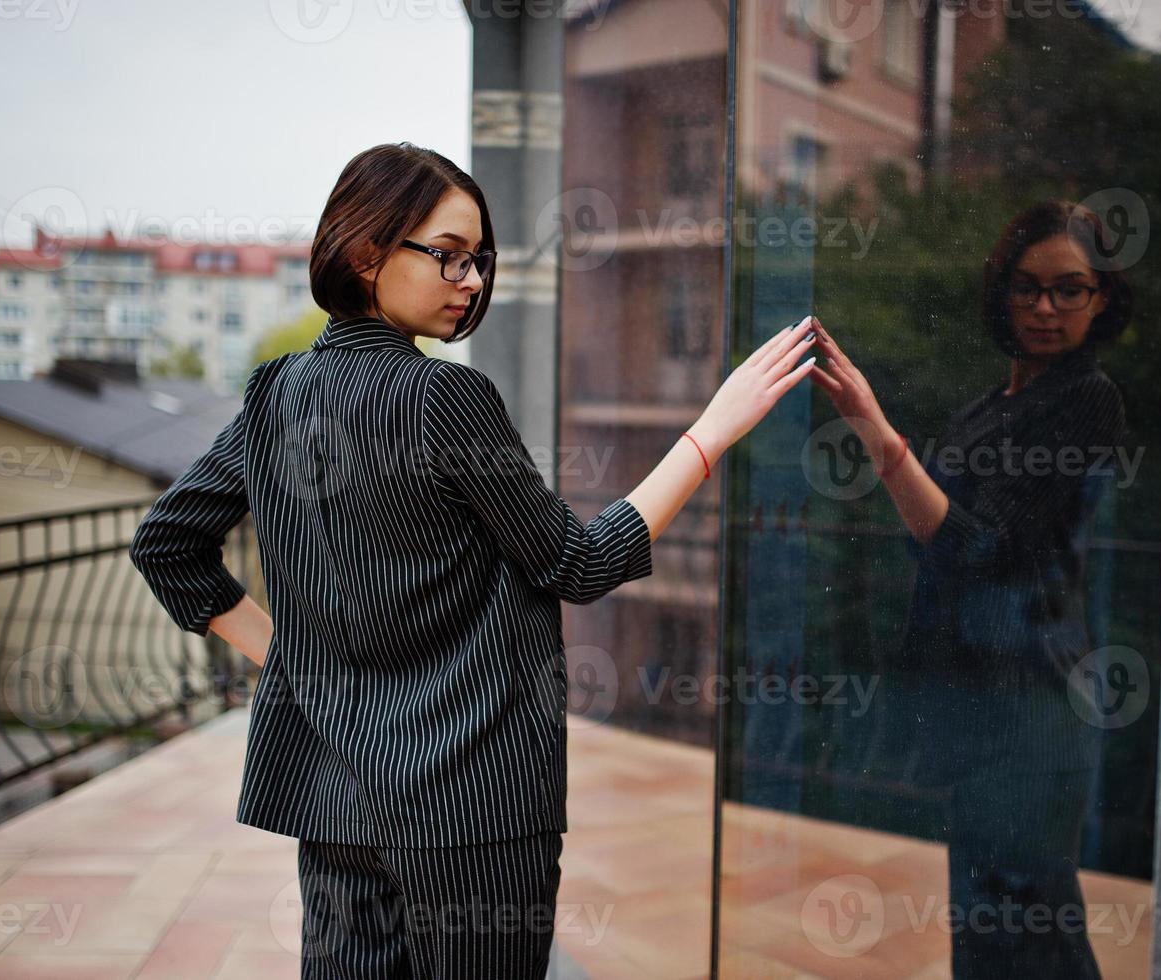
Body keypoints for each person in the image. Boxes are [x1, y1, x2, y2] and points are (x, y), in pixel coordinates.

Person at [128, 141, 818, 979]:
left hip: (334, 796)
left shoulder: (277, 391)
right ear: (364, 251)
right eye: (448, 256)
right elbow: (577, 563)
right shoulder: (443, 397)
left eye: (479, 260)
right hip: (472, 805)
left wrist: (289, 662)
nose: (472, 282)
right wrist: (710, 433)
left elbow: (168, 545)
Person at [809, 199, 1133, 979]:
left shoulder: (1089, 399)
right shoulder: (991, 407)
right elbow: (940, 543)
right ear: (1002, 293)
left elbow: (978, 547)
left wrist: (874, 431)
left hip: (1034, 703)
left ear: (1101, 298)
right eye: (1027, 287)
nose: (1045, 308)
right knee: (995, 933)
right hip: (980, 700)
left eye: (1069, 289)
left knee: (1025, 933)